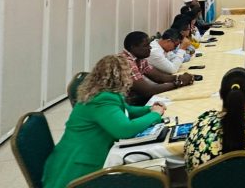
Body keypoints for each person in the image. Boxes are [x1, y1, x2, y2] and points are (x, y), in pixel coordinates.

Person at [42, 55, 166, 188]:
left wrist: (150, 109)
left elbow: (126, 110)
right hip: (80, 167)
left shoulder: (102, 93)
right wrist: (154, 114)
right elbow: (124, 130)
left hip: (74, 155)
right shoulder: (102, 99)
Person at [121, 31, 194, 105]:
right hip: (125, 104)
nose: (150, 47)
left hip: (134, 99)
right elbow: (147, 91)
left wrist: (179, 77)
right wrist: (179, 82)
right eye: (146, 45)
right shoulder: (126, 62)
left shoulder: (140, 58)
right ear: (133, 47)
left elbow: (159, 77)